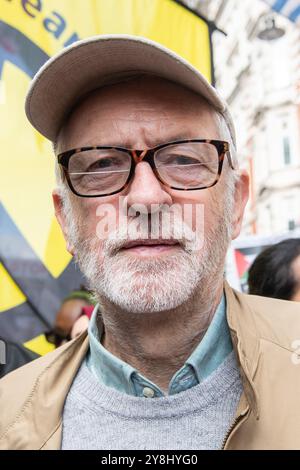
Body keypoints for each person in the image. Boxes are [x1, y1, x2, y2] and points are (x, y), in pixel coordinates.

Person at [1, 35, 300, 451]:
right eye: (102, 164)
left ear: (236, 202)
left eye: (182, 159)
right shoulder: (6, 411)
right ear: (65, 219)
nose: (145, 198)